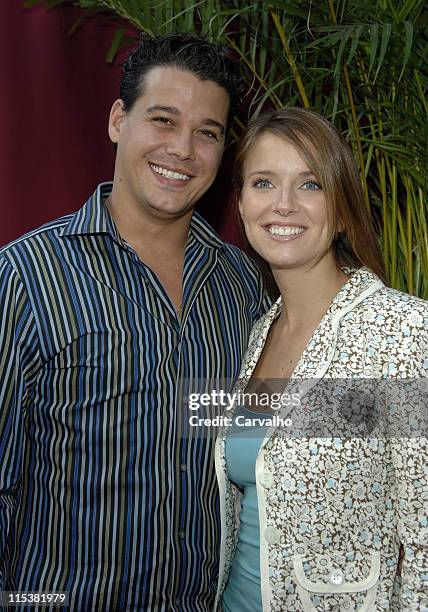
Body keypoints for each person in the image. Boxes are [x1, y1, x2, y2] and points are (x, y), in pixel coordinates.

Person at [0, 34, 269, 611]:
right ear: (119, 120)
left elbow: (257, 437)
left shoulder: (240, 283)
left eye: (207, 133)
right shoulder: (26, 274)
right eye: (163, 120)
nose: (183, 149)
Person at [214, 108, 428, 611]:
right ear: (242, 205)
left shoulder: (403, 333)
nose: (283, 205)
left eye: (309, 185)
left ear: (343, 206)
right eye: (264, 183)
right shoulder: (257, 335)